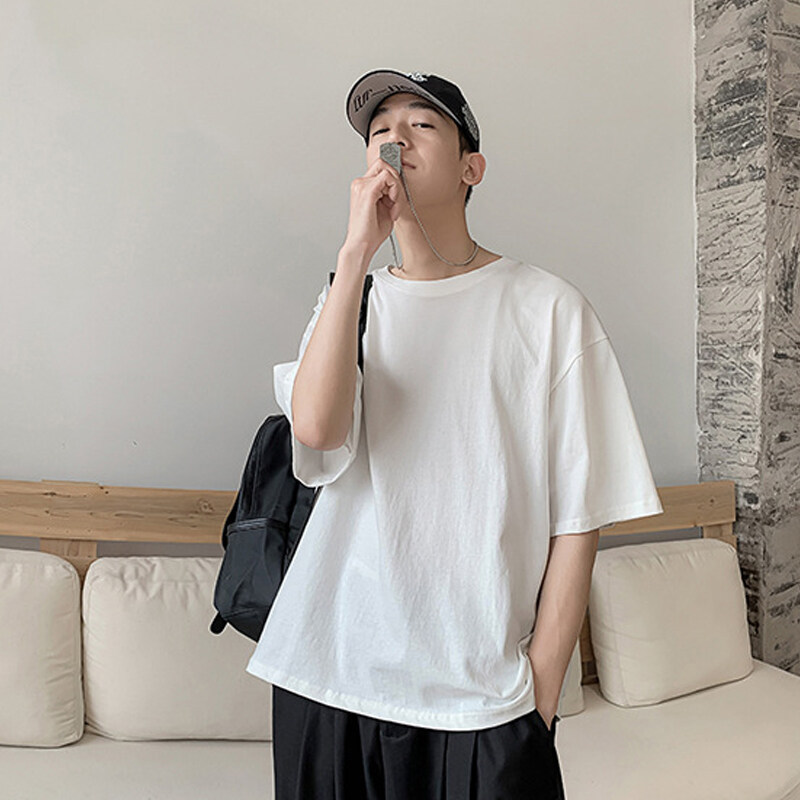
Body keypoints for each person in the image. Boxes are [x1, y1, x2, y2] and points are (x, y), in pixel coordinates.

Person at [246, 69, 664, 799]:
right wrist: (354, 256)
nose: (395, 140)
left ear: (472, 169)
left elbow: (579, 518)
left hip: (483, 699)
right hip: (329, 676)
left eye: (422, 124)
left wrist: (540, 691)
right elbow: (315, 429)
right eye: (380, 130)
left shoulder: (548, 309)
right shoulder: (352, 299)